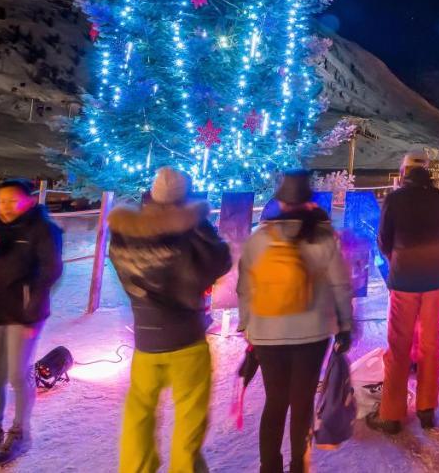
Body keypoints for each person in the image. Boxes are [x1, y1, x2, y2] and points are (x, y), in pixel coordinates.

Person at [109, 167, 233, 473]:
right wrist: (198, 223)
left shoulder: (126, 231)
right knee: (189, 420)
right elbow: (220, 261)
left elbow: (124, 270)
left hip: (146, 342)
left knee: (139, 415)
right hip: (186, 341)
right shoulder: (188, 229)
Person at [238, 170, 353, 472]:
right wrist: (345, 325)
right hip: (311, 334)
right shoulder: (323, 237)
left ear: (280, 202)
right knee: (301, 404)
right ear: (308, 201)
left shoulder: (259, 238)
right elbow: (341, 285)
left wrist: (247, 325)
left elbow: (245, 287)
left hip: (266, 333)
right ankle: (299, 466)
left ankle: (269, 467)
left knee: (275, 402)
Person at [0, 178, 63, 467]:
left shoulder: (44, 229)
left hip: (24, 313)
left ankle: (20, 432)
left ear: (29, 200)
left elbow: (51, 271)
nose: (4, 207)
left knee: (17, 374)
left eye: (11, 200)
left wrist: (31, 310)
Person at [368, 152, 439, 434]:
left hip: (405, 279)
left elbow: (384, 239)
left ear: (404, 171)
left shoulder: (395, 199)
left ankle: (392, 414)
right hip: (435, 280)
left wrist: (397, 257)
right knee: (430, 344)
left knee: (399, 346)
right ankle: (427, 408)